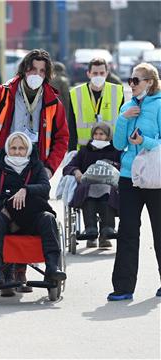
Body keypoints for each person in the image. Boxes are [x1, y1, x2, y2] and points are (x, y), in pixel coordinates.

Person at [0, 48, 69, 291]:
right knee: (2, 211)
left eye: (41, 71)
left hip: (35, 162)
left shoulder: (52, 102)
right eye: (32, 69)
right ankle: (2, 272)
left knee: (32, 211)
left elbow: (62, 138)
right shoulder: (2, 94)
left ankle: (21, 271)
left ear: (46, 75)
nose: (35, 74)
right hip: (3, 157)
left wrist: (48, 168)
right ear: (24, 69)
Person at [0, 132, 66, 290]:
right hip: (7, 217)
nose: (17, 151)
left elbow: (45, 188)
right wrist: (0, 207)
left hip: (31, 215)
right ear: (7, 149)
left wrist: (26, 189)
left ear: (27, 150)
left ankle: (52, 269)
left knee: (48, 218)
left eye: (21, 148)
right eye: (13, 148)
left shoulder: (36, 166)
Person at [107, 63, 161, 301]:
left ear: (150, 82)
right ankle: (123, 287)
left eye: (136, 80)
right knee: (127, 230)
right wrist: (122, 118)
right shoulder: (127, 107)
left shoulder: (160, 104)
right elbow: (119, 145)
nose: (132, 84)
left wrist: (145, 140)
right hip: (130, 176)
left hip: (156, 176)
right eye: (130, 80)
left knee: (159, 230)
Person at [63, 122, 120, 248]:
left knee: (108, 191)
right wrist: (76, 171)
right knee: (87, 191)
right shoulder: (85, 151)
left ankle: (107, 229)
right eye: (96, 134)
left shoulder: (115, 151)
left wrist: (114, 167)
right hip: (88, 184)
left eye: (101, 134)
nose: (98, 137)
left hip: (108, 184)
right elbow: (69, 167)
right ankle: (91, 229)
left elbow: (124, 167)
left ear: (108, 136)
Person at [68, 57, 124, 151]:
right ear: (88, 74)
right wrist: (71, 151)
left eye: (102, 73)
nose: (98, 76)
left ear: (107, 73)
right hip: (85, 150)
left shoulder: (117, 91)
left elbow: (122, 124)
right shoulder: (76, 93)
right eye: (95, 73)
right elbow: (71, 126)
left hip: (110, 149)